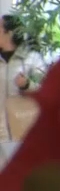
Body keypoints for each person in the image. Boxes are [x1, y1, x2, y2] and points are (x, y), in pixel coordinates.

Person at [0, 15, 43, 143]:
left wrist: (26, 84)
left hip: (24, 133)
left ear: (9, 33)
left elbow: (45, 89)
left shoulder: (31, 58)